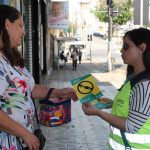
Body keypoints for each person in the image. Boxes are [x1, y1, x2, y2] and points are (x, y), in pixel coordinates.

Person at [0, 5, 77, 150]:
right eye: (20, 26)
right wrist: (24, 134)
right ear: (7, 24)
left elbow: (30, 88)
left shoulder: (11, 58)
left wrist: (59, 92)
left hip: (22, 141)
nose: (24, 32)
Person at [82, 28, 150, 149]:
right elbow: (136, 108)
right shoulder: (133, 78)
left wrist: (98, 112)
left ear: (142, 48)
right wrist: (113, 104)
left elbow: (131, 126)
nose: (121, 50)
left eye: (126, 46)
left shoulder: (145, 85)